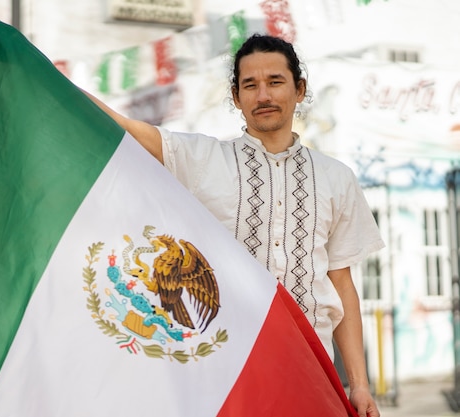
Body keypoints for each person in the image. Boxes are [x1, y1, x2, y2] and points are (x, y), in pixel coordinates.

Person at [86, 33, 384, 417]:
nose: (263, 95)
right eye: (250, 85)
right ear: (236, 96)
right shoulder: (204, 160)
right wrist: (47, 76)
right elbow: (128, 130)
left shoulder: (336, 178)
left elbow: (341, 285)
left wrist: (359, 386)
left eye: (275, 82)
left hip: (311, 373)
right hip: (227, 373)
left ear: (299, 89)